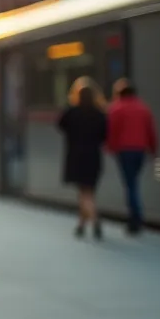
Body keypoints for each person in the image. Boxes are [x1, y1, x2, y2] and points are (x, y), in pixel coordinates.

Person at [57, 77, 108, 239]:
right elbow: (104, 136)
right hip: (93, 156)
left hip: (76, 156)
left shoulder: (72, 112)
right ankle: (81, 225)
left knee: (84, 192)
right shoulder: (100, 114)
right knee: (89, 191)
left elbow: (60, 125)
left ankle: (95, 220)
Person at [107, 78, 157, 235]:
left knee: (130, 184)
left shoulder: (116, 109)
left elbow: (112, 131)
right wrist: (153, 149)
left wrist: (111, 147)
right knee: (133, 182)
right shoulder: (144, 108)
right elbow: (151, 131)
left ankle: (135, 219)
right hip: (140, 150)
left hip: (124, 151)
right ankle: (135, 217)